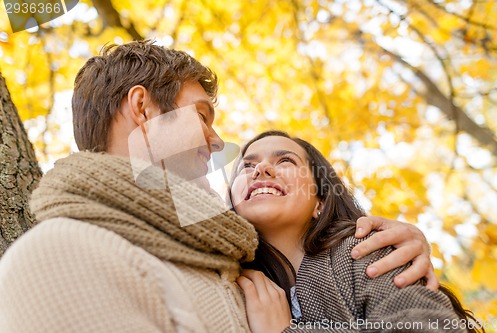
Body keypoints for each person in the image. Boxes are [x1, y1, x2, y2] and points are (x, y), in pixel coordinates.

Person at [0, 40, 434, 332]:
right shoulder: (60, 257)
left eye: (285, 161)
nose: (215, 140)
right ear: (143, 108)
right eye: (202, 115)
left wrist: (401, 244)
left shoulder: (232, 263)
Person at [231, 130, 483, 333]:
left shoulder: (364, 250)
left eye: (285, 160)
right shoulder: (230, 275)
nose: (260, 169)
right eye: (246, 165)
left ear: (320, 201)